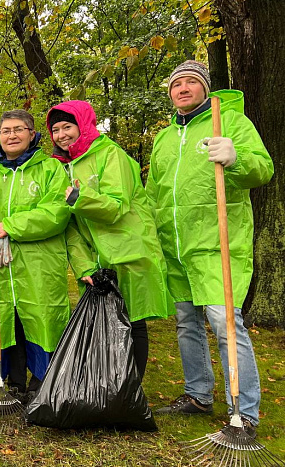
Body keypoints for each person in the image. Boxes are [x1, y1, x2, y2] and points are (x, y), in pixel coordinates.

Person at [146, 60, 273, 437]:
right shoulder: (164, 138)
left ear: (205, 88)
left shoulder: (230, 123)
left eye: (190, 82)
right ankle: (198, 395)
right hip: (176, 246)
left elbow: (262, 168)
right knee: (187, 322)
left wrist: (236, 159)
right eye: (176, 84)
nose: (182, 88)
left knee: (225, 323)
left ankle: (244, 411)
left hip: (219, 242)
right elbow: (155, 190)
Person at [46, 100, 173, 381]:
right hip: (97, 259)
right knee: (104, 324)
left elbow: (117, 205)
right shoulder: (62, 167)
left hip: (129, 251)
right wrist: (83, 267)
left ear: (84, 125)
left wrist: (79, 198)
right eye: (55, 130)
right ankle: (109, 385)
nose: (61, 135)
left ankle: (131, 389)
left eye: (68, 126)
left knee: (132, 321)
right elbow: (71, 228)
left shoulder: (110, 154)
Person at [0, 110, 70, 402]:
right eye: (5, 131)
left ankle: (43, 381)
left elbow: (56, 213)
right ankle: (13, 382)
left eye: (18, 129)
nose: (11, 136)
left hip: (38, 263)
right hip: (1, 266)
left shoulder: (50, 169)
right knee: (8, 320)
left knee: (39, 318)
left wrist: (11, 226)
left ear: (32, 134)